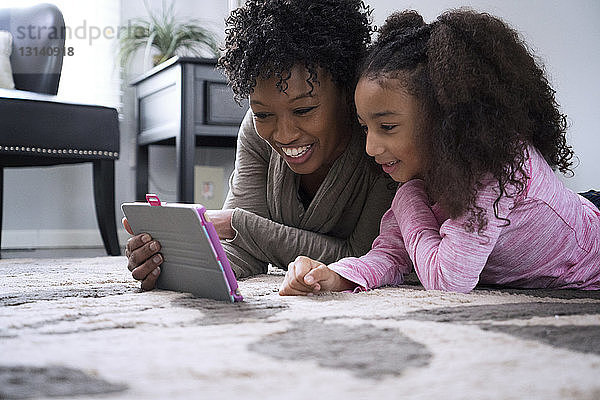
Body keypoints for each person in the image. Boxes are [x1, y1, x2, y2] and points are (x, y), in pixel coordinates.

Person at [279, 9, 600, 295]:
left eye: (387, 127)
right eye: (365, 128)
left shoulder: (496, 171)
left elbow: (449, 280)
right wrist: (337, 276)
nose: (370, 147)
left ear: (444, 119)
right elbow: (392, 254)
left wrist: (408, 201)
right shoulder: (421, 177)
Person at [123, 0, 397, 290]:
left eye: (304, 110)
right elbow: (242, 251)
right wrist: (174, 259)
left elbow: (364, 258)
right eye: (264, 114)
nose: (285, 134)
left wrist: (236, 224)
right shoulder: (255, 133)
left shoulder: (380, 146)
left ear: (346, 92)